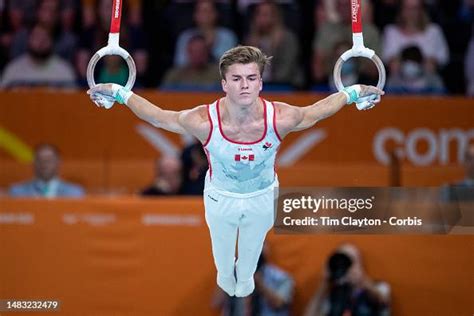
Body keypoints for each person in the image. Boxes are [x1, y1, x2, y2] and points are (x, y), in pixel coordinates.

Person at [87, 46, 384, 297]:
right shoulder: (204, 121)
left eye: (251, 78)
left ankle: (244, 278)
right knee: (224, 271)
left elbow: (318, 111)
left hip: (262, 198)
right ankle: (228, 277)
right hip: (221, 198)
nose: (244, 85)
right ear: (224, 84)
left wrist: (355, 93)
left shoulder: (280, 118)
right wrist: (118, 93)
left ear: (260, 84)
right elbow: (159, 118)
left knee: (246, 275)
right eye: (237, 78)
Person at [304, 244, 390, 316]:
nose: (345, 267)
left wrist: (362, 281)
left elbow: (383, 305)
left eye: (350, 261)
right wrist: (323, 285)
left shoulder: (379, 286)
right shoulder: (331, 293)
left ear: (359, 264)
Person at [0, 23, 76, 89]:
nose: (41, 42)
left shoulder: (64, 71)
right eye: (37, 37)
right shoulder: (13, 70)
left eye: (45, 37)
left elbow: (72, 102)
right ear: (29, 40)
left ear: (52, 41)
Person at [9, 144, 84, 198]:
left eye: (49, 160)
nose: (44, 164)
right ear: (33, 163)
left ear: (58, 162)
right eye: (40, 160)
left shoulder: (74, 192)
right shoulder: (17, 192)